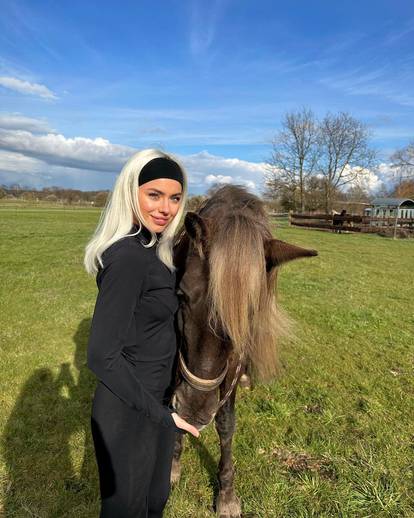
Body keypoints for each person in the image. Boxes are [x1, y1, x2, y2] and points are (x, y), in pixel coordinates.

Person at [83, 149, 200, 518]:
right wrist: (162, 415)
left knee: (154, 504)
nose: (165, 207)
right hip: (128, 409)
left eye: (175, 197)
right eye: (154, 194)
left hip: (155, 405)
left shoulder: (155, 250)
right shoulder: (129, 257)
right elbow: (101, 356)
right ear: (131, 192)